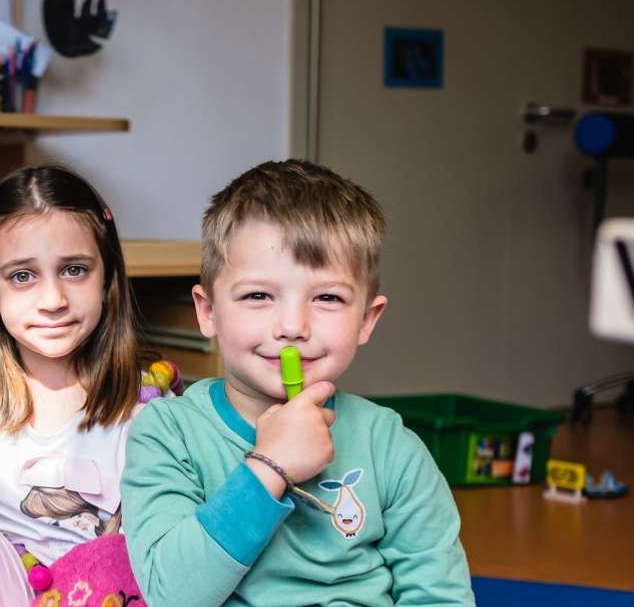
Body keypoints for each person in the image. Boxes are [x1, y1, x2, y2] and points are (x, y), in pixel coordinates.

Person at [121, 160, 474, 605]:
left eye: (327, 298)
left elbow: (440, 595)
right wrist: (270, 466)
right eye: (258, 296)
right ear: (207, 311)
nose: (292, 326)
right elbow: (173, 595)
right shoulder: (167, 434)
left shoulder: (391, 446)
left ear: (367, 320)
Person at [0, 166, 145, 606]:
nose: (53, 299)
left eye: (75, 270)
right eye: (23, 276)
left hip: (119, 593)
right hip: (15, 593)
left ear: (107, 280)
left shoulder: (148, 415)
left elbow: (159, 552)